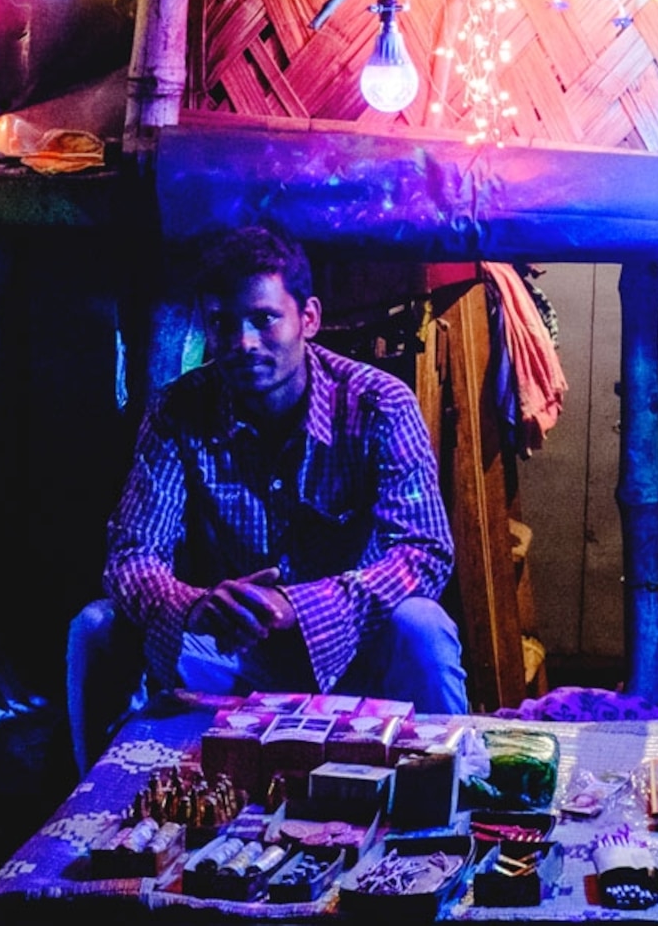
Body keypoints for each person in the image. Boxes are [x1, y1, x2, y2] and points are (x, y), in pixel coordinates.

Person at [103, 226, 466, 713]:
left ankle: (451, 786)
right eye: (222, 323)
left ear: (308, 318)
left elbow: (424, 551)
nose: (243, 342)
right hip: (233, 654)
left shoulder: (379, 405)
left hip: (351, 649)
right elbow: (131, 554)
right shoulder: (178, 410)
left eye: (264, 319)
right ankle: (104, 791)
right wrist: (192, 605)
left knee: (423, 627)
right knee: (97, 628)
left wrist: (302, 608)